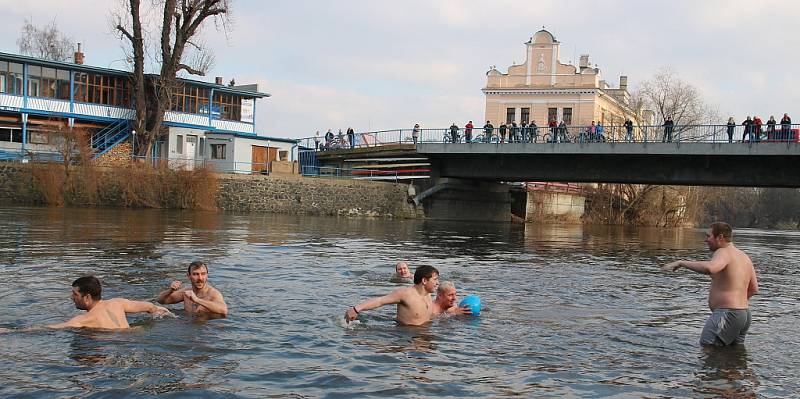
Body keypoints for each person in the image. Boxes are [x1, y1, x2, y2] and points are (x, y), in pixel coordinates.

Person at [662, 222, 758, 346]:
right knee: (735, 356)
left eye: (708, 236)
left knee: (708, 348)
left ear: (720, 237)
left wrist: (681, 263)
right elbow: (754, 288)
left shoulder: (723, 252)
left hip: (728, 314)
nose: (705, 240)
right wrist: (737, 304)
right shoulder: (744, 257)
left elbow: (711, 268)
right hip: (743, 315)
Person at [47, 276, 172, 330]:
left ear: (87, 297)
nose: (71, 297)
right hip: (134, 335)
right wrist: (158, 311)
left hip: (115, 344)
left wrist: (28, 330)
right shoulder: (117, 302)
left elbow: (52, 328)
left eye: (75, 294)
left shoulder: (84, 319)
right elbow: (149, 306)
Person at [345, 265, 439, 326]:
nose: (437, 283)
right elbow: (380, 301)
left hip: (425, 334)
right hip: (405, 337)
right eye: (435, 279)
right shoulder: (405, 294)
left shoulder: (428, 295)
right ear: (424, 281)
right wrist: (356, 309)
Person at [156, 261, 228, 316]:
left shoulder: (213, 294)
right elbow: (160, 301)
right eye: (195, 274)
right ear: (188, 275)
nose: (200, 278)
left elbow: (224, 310)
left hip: (207, 329)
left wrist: (197, 300)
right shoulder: (187, 292)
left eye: (203, 274)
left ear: (207, 275)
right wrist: (170, 290)